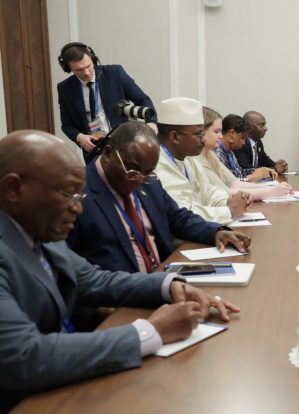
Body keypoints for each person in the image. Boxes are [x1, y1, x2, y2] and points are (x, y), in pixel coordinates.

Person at [0, 130, 238, 411]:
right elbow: (24, 357)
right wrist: (150, 331)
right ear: (14, 189)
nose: (78, 208)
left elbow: (95, 280)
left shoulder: (37, 230)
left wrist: (170, 285)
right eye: (68, 195)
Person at [67, 121, 252, 274]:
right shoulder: (77, 195)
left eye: (147, 173)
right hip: (120, 295)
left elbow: (179, 218)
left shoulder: (149, 181)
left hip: (162, 277)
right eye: (133, 171)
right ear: (108, 154)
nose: (139, 180)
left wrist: (216, 232)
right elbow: (78, 273)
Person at [153, 97, 251, 224]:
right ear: (175, 137)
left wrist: (230, 201)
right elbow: (183, 214)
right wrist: (229, 210)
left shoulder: (189, 158)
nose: (203, 139)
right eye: (198, 134)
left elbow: (208, 192)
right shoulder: (157, 164)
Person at [56, 42, 157, 161]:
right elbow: (67, 125)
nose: (86, 73)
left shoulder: (115, 73)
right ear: (68, 68)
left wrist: (151, 122)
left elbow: (142, 99)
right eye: (79, 70)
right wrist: (80, 137)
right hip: (95, 150)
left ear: (92, 58)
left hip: (125, 143)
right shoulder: (65, 89)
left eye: (88, 66)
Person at [193, 107, 293, 198]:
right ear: (201, 132)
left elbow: (234, 182)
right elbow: (225, 192)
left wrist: (273, 187)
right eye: (216, 132)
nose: (221, 136)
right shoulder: (205, 156)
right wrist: (270, 191)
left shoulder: (211, 154)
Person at [234, 111, 288, 176]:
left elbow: (265, 160)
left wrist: (278, 165)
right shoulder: (240, 143)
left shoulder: (258, 142)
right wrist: (274, 169)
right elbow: (246, 168)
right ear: (249, 127)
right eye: (262, 125)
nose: (266, 128)